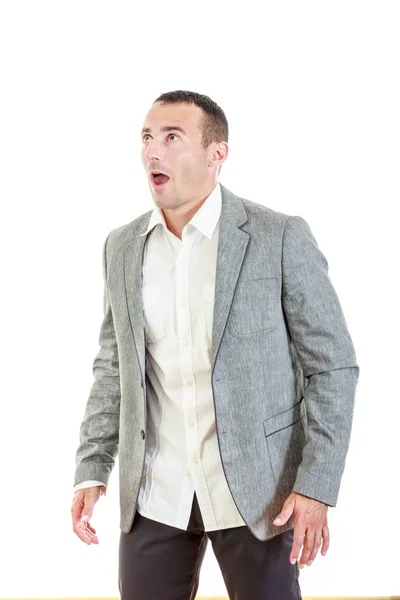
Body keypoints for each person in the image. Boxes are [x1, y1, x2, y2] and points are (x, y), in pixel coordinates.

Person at [71, 90, 359, 600]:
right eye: (146, 138)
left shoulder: (279, 237)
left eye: (172, 138)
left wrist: (316, 483)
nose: (152, 152)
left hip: (259, 495)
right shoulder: (121, 247)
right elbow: (113, 366)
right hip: (156, 492)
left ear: (216, 153)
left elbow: (332, 366)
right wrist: (92, 466)